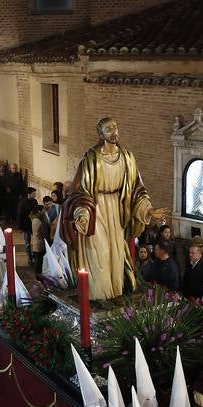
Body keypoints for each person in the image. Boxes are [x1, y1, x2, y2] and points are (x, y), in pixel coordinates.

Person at [62, 117, 166, 300]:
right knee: (99, 256)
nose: (114, 132)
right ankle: (98, 298)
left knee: (116, 257)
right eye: (108, 129)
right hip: (96, 210)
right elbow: (80, 191)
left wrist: (148, 210)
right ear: (100, 134)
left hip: (118, 210)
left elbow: (136, 189)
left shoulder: (127, 157)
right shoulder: (91, 158)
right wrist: (82, 215)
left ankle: (116, 296)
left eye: (115, 127)